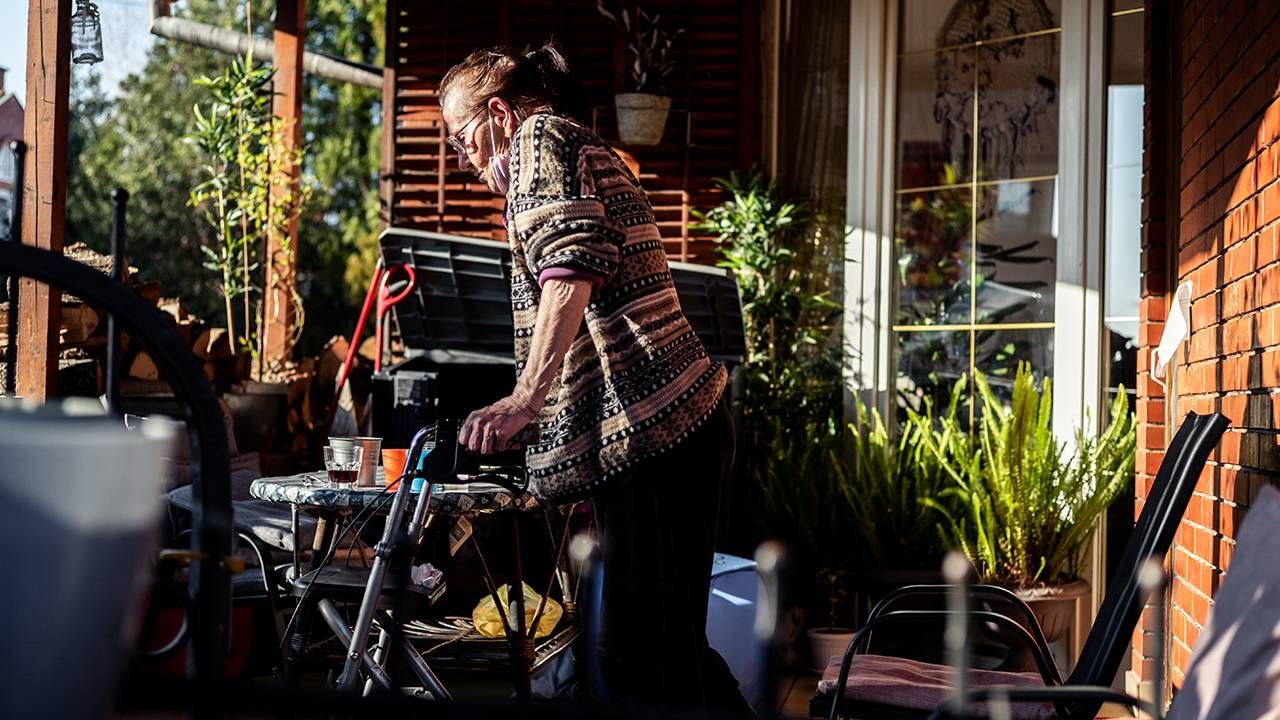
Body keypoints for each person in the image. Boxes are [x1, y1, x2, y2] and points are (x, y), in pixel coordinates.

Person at [442, 44, 752, 716]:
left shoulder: (538, 138)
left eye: (465, 140)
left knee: (636, 659)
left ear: (498, 112)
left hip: (659, 437)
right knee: (667, 652)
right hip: (668, 437)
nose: (465, 162)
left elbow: (571, 264)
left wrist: (526, 398)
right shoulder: (565, 147)